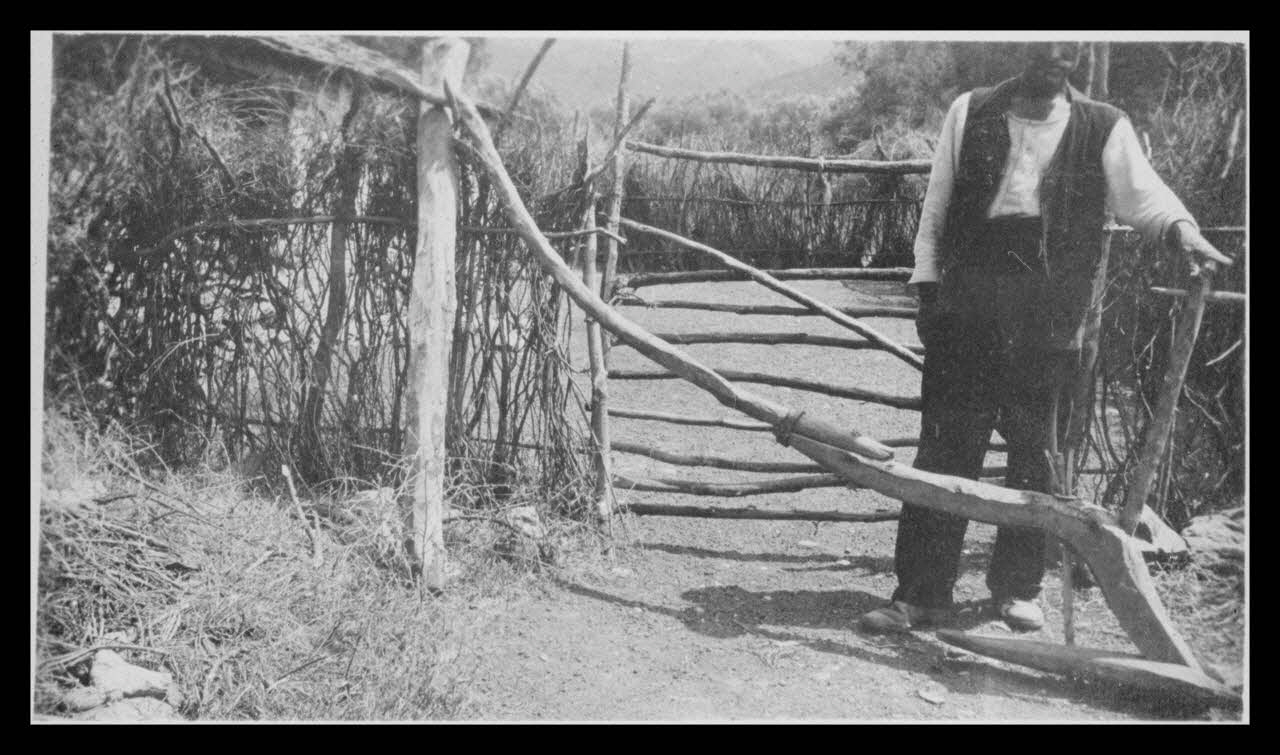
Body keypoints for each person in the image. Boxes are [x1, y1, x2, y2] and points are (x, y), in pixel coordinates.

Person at [859, 42, 1228, 633]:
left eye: (1068, 46)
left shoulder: (1102, 125)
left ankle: (1017, 588)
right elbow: (937, 208)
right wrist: (928, 286)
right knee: (948, 446)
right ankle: (923, 593)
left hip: (1052, 314)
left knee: (1040, 452)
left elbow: (1143, 195)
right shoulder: (970, 110)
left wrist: (1182, 231)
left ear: (1077, 56)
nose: (1054, 54)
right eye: (1042, 43)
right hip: (968, 306)